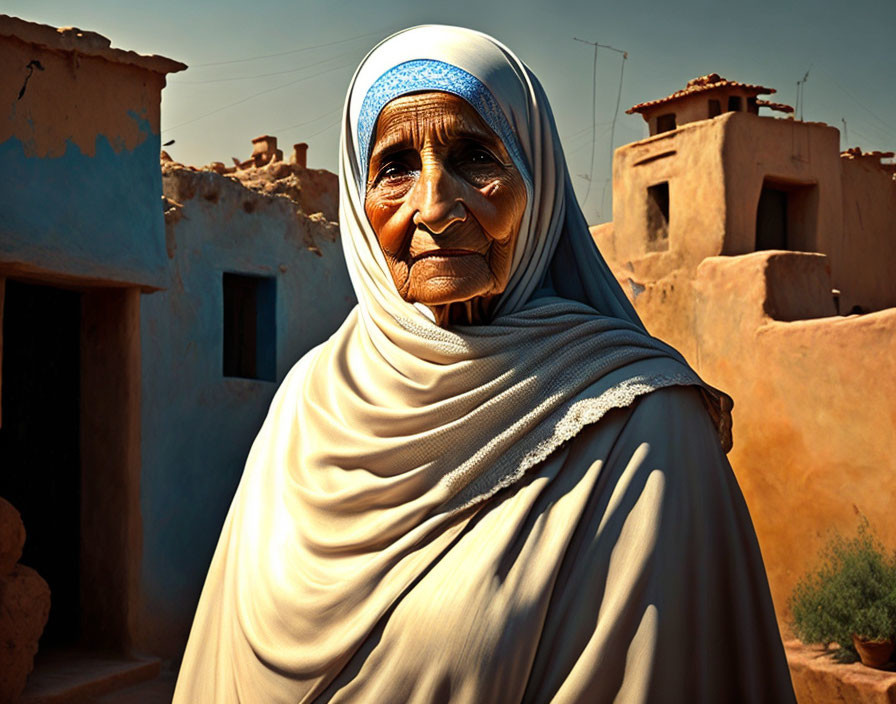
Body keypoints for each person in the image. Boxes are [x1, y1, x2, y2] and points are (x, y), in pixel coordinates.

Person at [173, 25, 796, 703]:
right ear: (358, 199)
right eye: (395, 168)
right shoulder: (304, 403)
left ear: (540, 183)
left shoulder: (645, 433)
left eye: (475, 157)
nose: (434, 205)